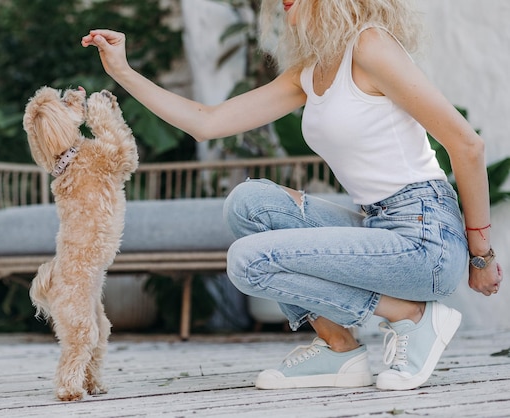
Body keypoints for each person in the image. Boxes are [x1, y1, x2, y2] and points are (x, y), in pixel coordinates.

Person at [82, 0, 504, 391]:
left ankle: (413, 315)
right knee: (249, 204)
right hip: (378, 225)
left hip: (425, 236)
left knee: (249, 262)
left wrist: (480, 255)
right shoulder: (311, 71)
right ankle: (339, 349)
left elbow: (467, 146)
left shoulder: (371, 45)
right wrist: (122, 71)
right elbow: (207, 122)